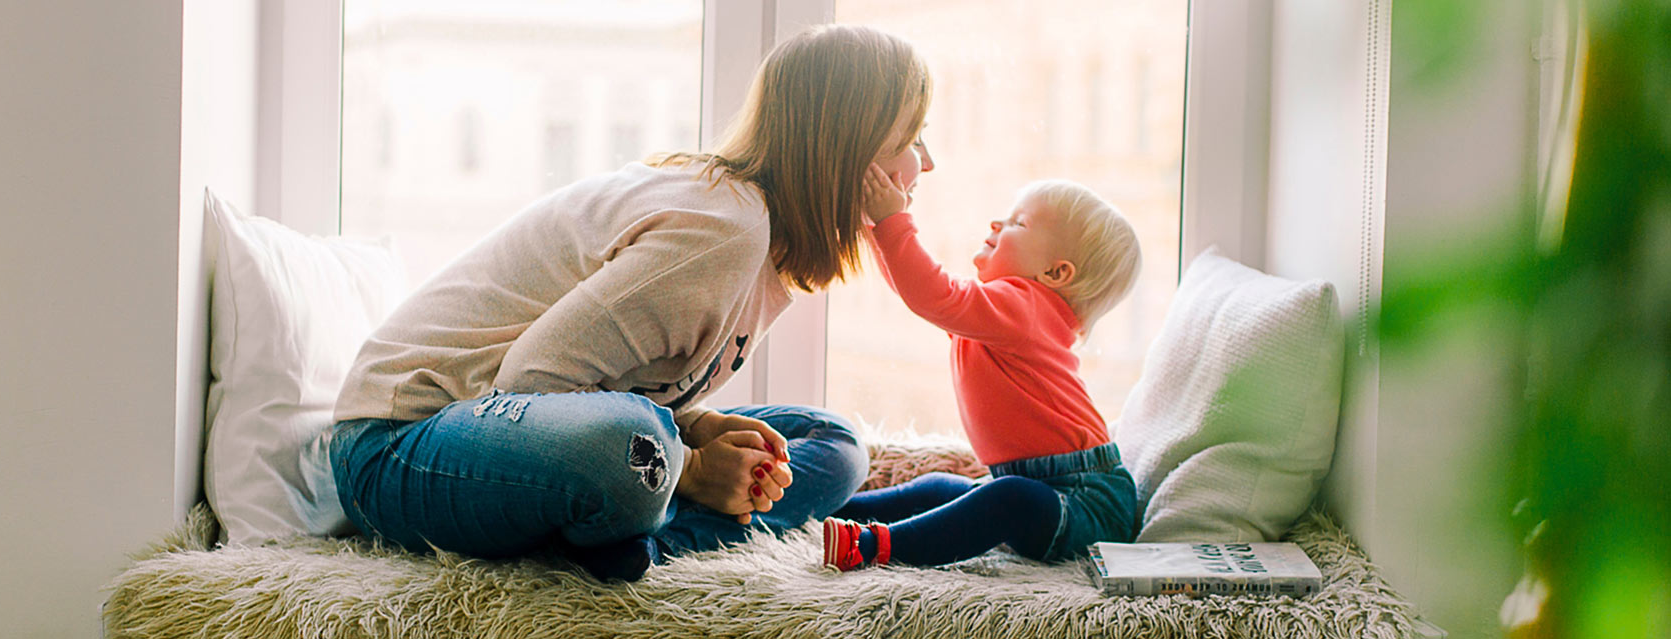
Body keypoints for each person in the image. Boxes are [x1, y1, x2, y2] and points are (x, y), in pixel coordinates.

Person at [308, 24, 933, 582]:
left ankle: (642, 543)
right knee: (637, 450)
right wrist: (689, 466)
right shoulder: (724, 230)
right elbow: (528, 380)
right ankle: (648, 512)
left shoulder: (762, 241)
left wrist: (698, 427)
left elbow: (613, 383)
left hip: (522, 429)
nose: (924, 163)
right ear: (849, 148)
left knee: (835, 442)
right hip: (398, 445)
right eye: (911, 137)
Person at [821, 170, 1144, 570]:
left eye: (1018, 223)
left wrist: (890, 223)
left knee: (1007, 500)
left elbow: (931, 293)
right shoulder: (1004, 313)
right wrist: (875, 227)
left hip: (1087, 503)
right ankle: (827, 512)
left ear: (1056, 273)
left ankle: (875, 546)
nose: (997, 223)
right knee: (940, 488)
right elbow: (918, 293)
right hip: (1045, 486)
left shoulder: (1023, 308)